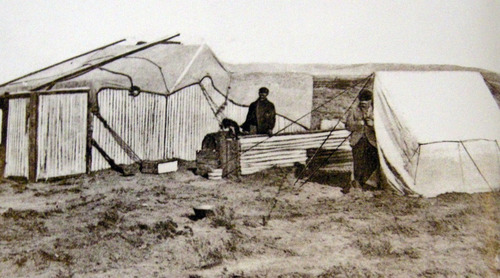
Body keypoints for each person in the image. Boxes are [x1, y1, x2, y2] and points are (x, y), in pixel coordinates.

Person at [344, 89, 379, 190]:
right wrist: (358, 125)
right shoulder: (354, 110)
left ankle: (370, 183)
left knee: (372, 162)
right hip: (358, 140)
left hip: (372, 141)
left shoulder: (376, 111)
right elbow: (348, 126)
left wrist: (372, 125)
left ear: (370, 100)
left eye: (366, 101)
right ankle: (357, 183)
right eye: (361, 100)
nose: (363, 103)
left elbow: (383, 127)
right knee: (358, 162)